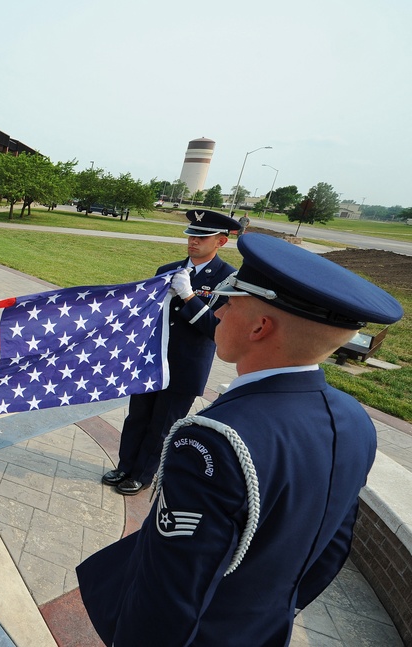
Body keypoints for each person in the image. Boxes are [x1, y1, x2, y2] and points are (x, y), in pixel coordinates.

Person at [76, 232, 403, 646]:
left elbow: (169, 594)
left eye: (230, 301)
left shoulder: (213, 442)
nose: (222, 311)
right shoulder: (355, 420)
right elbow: (333, 547)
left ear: (260, 327)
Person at [102, 209, 241, 495]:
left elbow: (215, 328)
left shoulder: (228, 280)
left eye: (203, 237)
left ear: (221, 242)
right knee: (137, 416)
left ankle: (142, 474)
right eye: (191, 235)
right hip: (151, 358)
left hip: (185, 364)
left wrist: (189, 297)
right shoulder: (167, 269)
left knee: (162, 424)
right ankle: (125, 465)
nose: (193, 242)